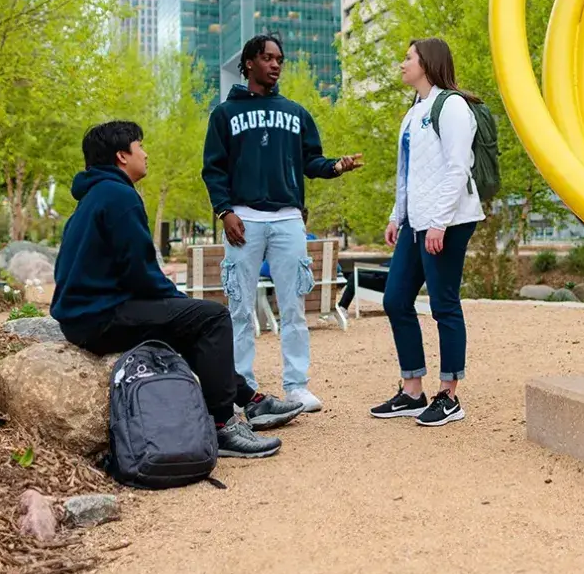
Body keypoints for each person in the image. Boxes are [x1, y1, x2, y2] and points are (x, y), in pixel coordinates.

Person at [51, 120, 303, 459]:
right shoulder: (118, 195)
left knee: (190, 321)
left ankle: (249, 400)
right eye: (140, 146)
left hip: (87, 314)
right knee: (211, 318)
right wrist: (178, 299)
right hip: (99, 317)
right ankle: (222, 426)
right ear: (122, 156)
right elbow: (139, 272)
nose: (146, 153)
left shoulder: (97, 195)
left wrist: (176, 304)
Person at [203, 34, 363, 413]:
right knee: (240, 309)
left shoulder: (296, 113)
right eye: (267, 58)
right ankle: (243, 389)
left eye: (279, 59)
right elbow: (213, 169)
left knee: (292, 307)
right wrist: (225, 212)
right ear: (248, 64)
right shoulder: (223, 114)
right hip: (243, 220)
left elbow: (311, 162)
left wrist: (336, 166)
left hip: (288, 220)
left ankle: (297, 386)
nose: (275, 64)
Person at [370, 38, 484, 427]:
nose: (402, 64)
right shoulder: (414, 111)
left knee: (443, 304)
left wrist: (439, 221)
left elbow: (457, 167)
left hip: (447, 222)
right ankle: (412, 391)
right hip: (416, 223)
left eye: (408, 58)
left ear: (427, 64)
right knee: (396, 299)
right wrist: (396, 215)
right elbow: (409, 173)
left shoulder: (450, 105)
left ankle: (449, 396)